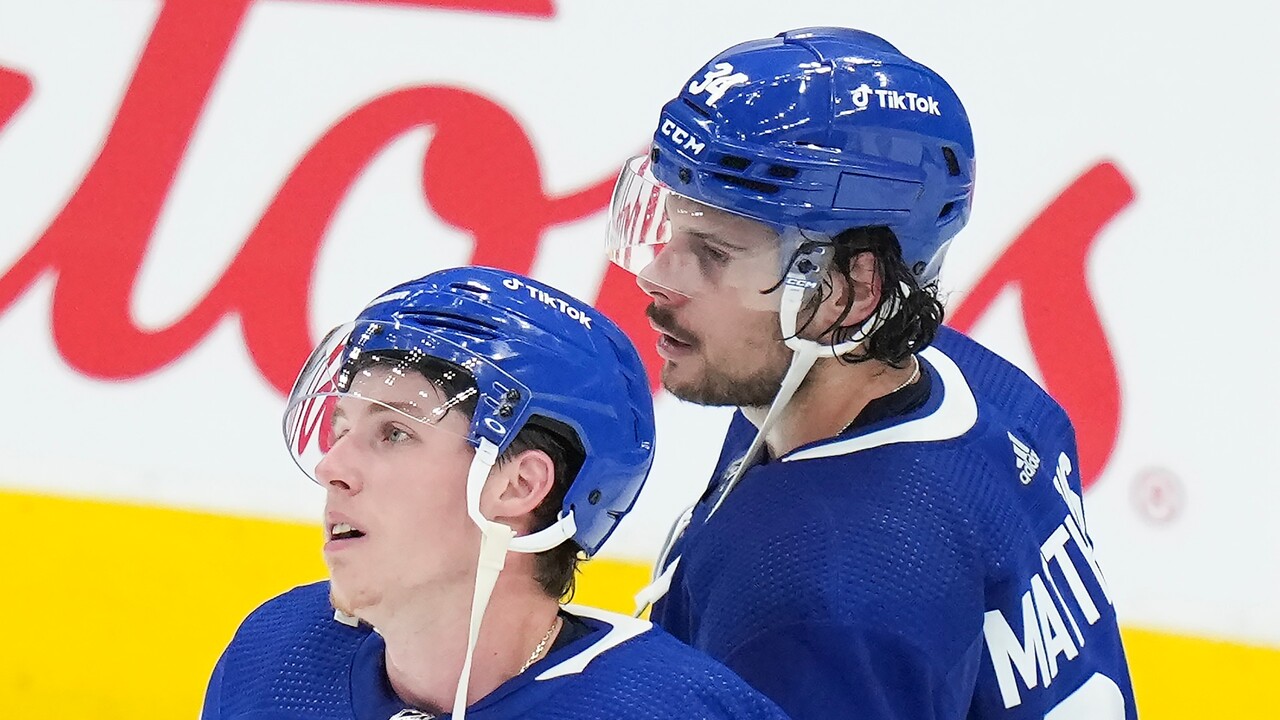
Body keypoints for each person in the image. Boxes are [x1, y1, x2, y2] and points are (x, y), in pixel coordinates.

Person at [607, 27, 1137, 720]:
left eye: (712, 251)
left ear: (849, 290)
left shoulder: (814, 604)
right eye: (672, 230)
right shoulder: (989, 390)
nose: (656, 274)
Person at [201, 267, 788, 720]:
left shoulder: (669, 711)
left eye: (395, 433)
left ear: (519, 486)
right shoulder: (275, 656)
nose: (334, 467)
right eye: (341, 429)